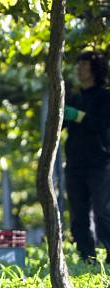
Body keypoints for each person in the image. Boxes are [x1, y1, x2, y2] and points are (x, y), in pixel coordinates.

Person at [64, 51, 110, 263]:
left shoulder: (105, 97)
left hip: (99, 164)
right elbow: (62, 125)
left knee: (103, 212)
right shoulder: (74, 97)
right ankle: (87, 258)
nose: (80, 68)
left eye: (84, 64)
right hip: (75, 164)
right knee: (79, 216)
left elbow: (102, 125)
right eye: (79, 63)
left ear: (95, 69)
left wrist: (80, 116)